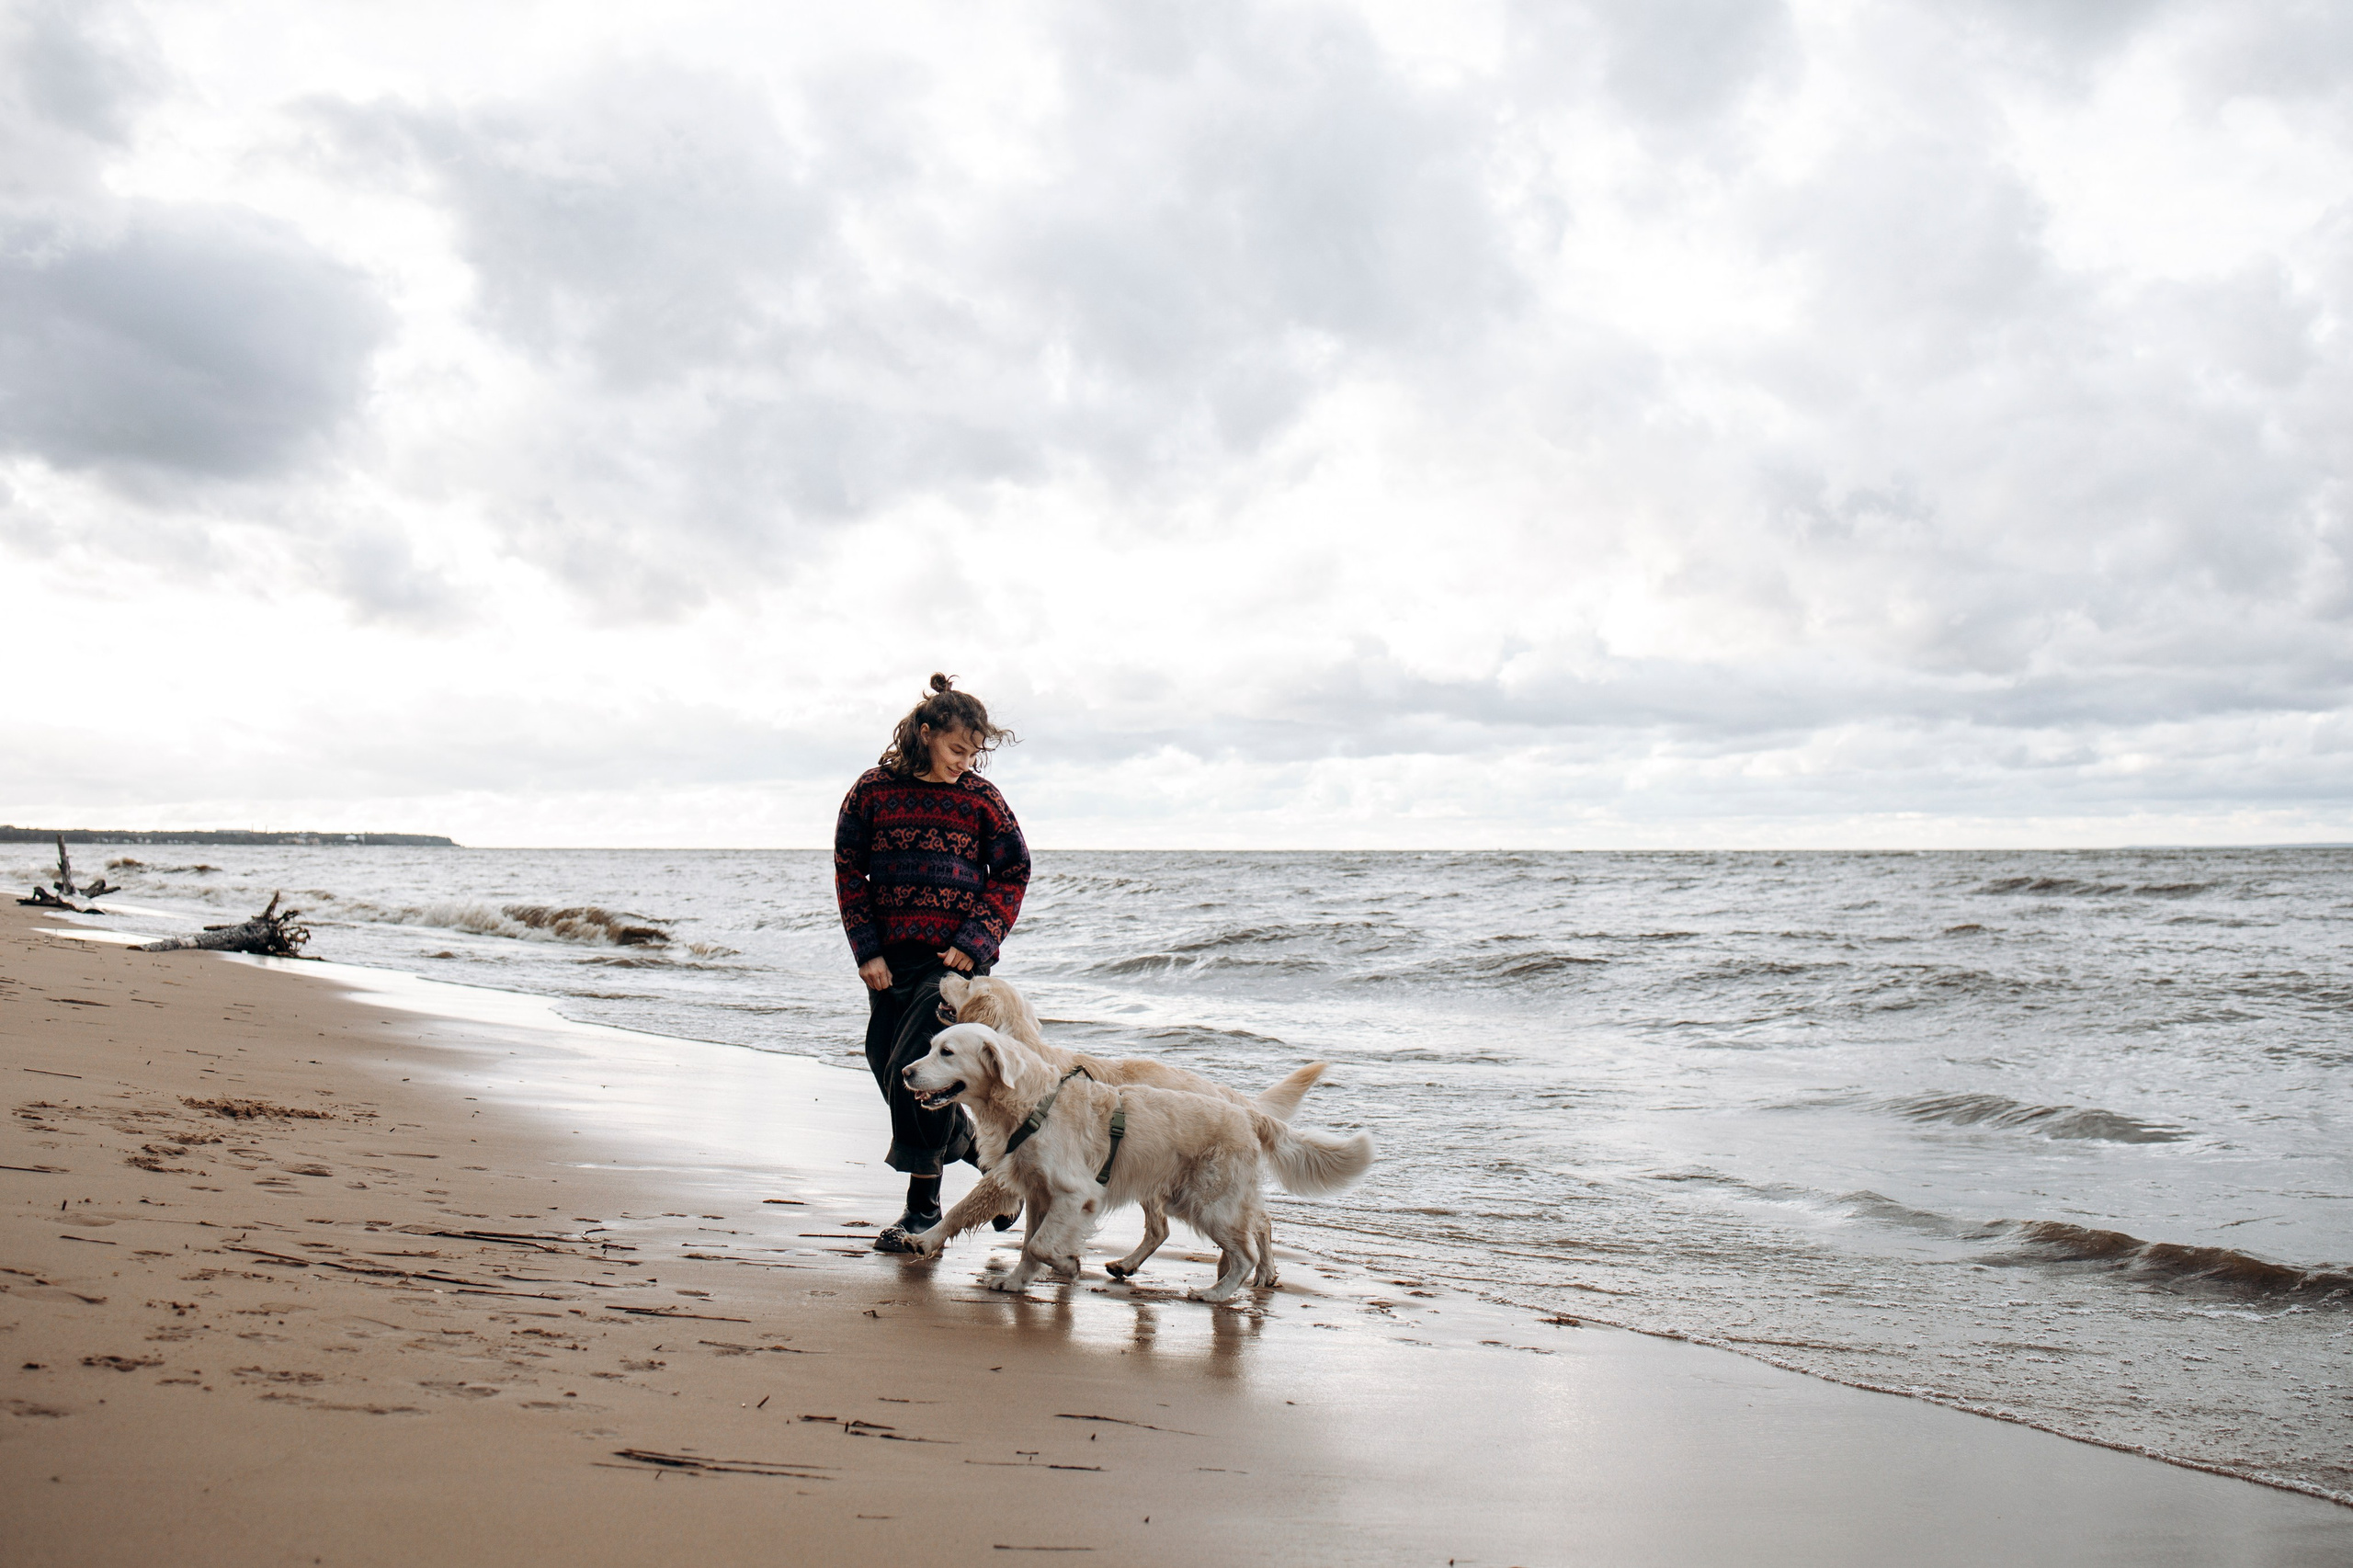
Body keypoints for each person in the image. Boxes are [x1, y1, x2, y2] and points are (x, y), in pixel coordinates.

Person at [834, 673, 1030, 1251]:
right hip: (889, 960)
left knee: (913, 1068)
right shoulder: (871, 791)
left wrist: (975, 940)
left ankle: (923, 1209)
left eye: (973, 754)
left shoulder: (982, 798)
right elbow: (849, 871)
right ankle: (980, 1157)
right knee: (886, 1062)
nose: (964, 763)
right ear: (925, 733)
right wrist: (867, 950)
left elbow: (1014, 871)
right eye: (956, 749)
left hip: (955, 966)